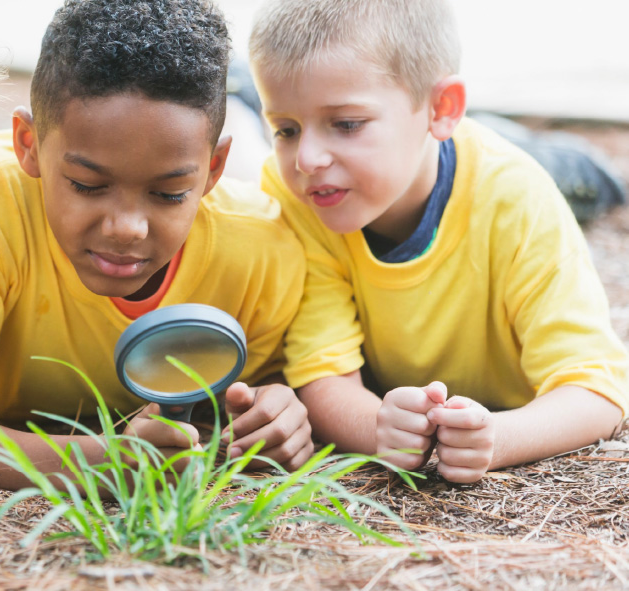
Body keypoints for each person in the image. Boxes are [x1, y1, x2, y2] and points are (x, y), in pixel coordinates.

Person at [0, 0, 313, 489]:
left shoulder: (261, 251)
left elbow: (258, 397)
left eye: (169, 193)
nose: (127, 228)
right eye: (88, 185)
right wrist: (108, 460)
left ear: (214, 169)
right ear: (28, 144)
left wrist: (273, 413)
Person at [248, 0, 628, 484]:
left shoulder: (517, 198)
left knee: (581, 179)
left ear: (440, 108)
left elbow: (597, 389)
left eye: (346, 124)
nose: (307, 158)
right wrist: (377, 428)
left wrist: (499, 436)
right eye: (285, 129)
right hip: (427, 154)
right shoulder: (296, 195)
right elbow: (321, 374)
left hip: (541, 171)